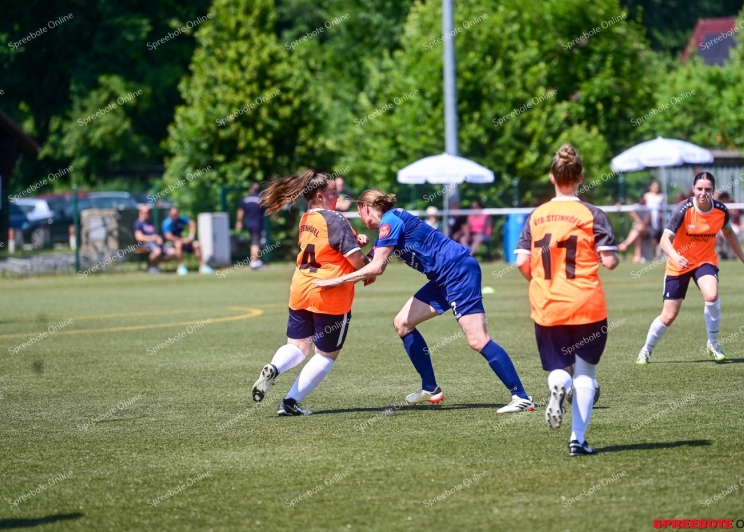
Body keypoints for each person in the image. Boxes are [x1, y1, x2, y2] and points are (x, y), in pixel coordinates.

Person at [314, 190, 535, 414]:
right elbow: (369, 264)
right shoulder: (388, 224)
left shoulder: (391, 221)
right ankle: (430, 389)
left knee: (478, 340)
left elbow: (376, 268)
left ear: (365, 207)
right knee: (402, 323)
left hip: (458, 272)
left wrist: (338, 280)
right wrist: (357, 245)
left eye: (359, 211)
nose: (360, 217)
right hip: (442, 278)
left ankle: (521, 396)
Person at [515, 144, 619, 456]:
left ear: (552, 177)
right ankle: (578, 439)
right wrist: (610, 256)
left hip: (548, 305)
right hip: (587, 304)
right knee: (585, 374)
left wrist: (542, 282)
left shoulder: (536, 215)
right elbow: (610, 261)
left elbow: (521, 260)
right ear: (580, 178)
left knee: (561, 367)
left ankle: (558, 388)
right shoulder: (593, 214)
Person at [251, 169, 371, 416]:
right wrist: (374, 259)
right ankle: (290, 402)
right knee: (325, 355)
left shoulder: (306, 218)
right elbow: (358, 263)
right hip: (329, 294)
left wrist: (353, 241)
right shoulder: (335, 219)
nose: (338, 197)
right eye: (333, 193)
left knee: (297, 347)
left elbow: (326, 248)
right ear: (319, 195)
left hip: (301, 289)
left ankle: (274, 367)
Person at [635, 172, 744, 365]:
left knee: (711, 296)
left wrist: (743, 257)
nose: (703, 193)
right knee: (669, 315)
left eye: (708, 189)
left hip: (705, 261)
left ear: (713, 190)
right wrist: (676, 256)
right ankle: (646, 349)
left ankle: (713, 343)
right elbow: (664, 240)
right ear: (693, 190)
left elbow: (728, 233)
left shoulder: (720, 210)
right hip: (678, 263)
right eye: (699, 189)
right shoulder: (683, 209)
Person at [163, 208, 213, 275]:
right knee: (178, 244)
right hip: (172, 244)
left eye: (176, 214)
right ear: (170, 214)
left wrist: (190, 237)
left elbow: (192, 223)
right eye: (173, 214)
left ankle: (203, 266)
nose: (175, 216)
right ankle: (181, 267)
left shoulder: (180, 219)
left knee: (197, 244)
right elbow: (168, 237)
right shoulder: (167, 222)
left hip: (183, 241)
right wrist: (182, 240)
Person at [134, 205, 174, 274]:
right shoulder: (138, 223)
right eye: (144, 212)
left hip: (155, 243)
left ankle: (155, 264)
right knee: (157, 251)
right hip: (145, 244)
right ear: (140, 213)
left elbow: (154, 235)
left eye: (148, 212)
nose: (146, 214)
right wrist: (153, 238)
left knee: (172, 252)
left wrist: (158, 239)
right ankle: (152, 267)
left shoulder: (150, 222)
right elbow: (139, 238)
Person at [236, 183, 265, 270]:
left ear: (251, 189)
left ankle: (256, 261)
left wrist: (239, 222)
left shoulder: (245, 199)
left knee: (254, 242)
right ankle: (254, 262)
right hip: (257, 224)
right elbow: (269, 211)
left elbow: (241, 211)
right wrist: (277, 219)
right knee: (256, 243)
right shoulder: (261, 199)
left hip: (248, 224)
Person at [617, 197, 652, 263]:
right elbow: (627, 210)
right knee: (638, 234)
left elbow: (644, 223)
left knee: (640, 227)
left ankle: (625, 244)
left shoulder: (648, 209)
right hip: (638, 231)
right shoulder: (636, 206)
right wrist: (620, 206)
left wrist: (634, 216)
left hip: (648, 231)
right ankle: (637, 256)